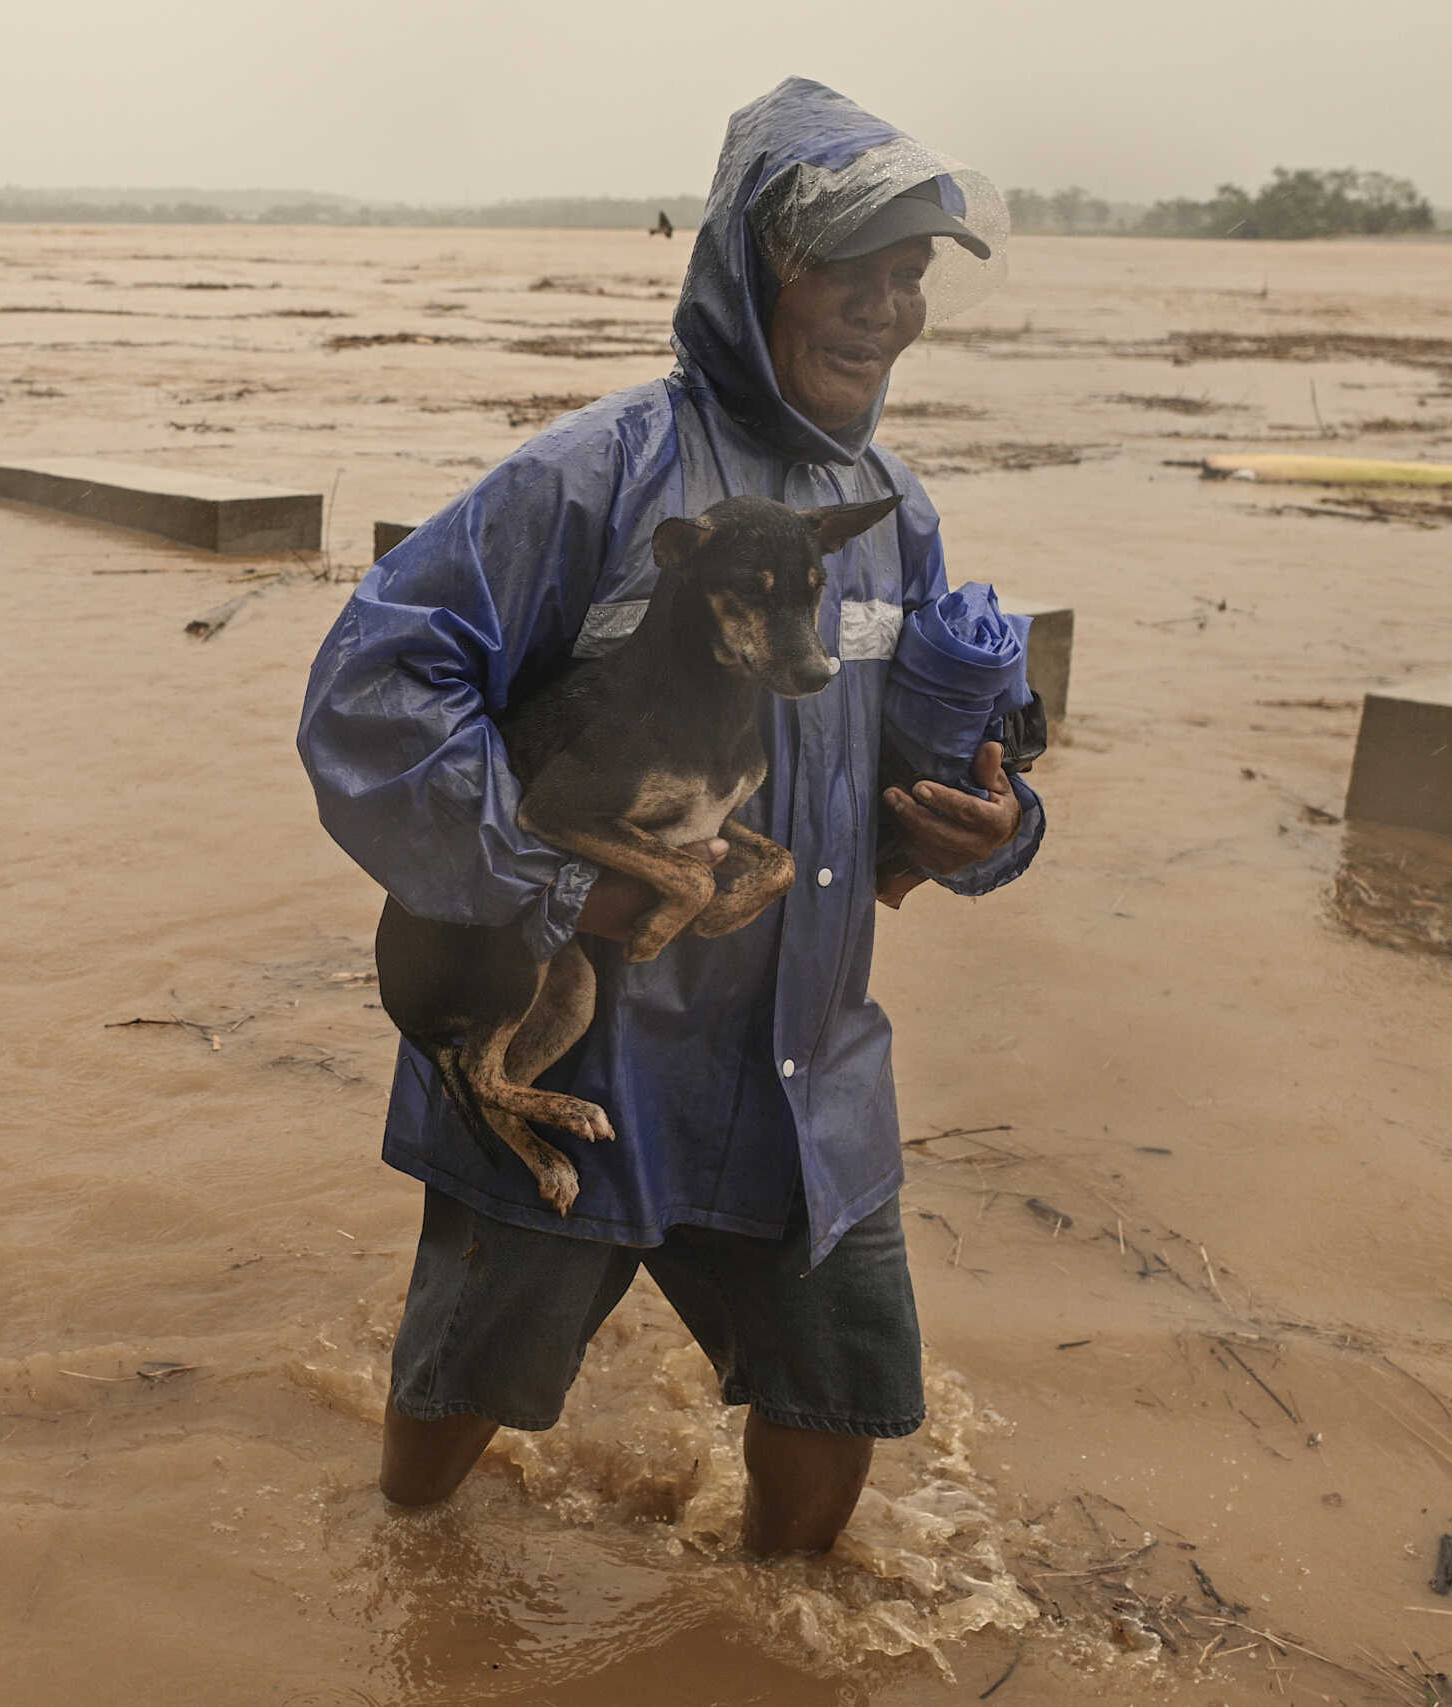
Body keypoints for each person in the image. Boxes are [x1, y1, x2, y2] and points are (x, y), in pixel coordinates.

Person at [296, 78, 1041, 1557]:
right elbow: (371, 694)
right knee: (458, 1403)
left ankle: (775, 1621)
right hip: (594, 1047)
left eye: (911, 277)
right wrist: (549, 889)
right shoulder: (598, 477)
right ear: (756, 268)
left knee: (841, 1397)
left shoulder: (888, 515)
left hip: (804, 1069)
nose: (888, 308)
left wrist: (979, 831)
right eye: (855, 270)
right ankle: (403, 1591)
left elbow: (896, 776)